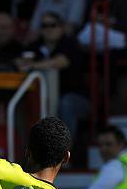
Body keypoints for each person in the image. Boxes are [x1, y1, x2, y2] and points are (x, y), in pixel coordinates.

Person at [17, 12, 87, 143]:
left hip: (77, 97)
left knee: (65, 104)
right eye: (44, 26)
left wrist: (33, 65)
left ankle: (65, 151)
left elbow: (60, 62)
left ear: (61, 27)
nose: (48, 29)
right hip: (46, 99)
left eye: (53, 25)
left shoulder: (69, 42)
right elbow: (21, 61)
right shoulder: (36, 46)